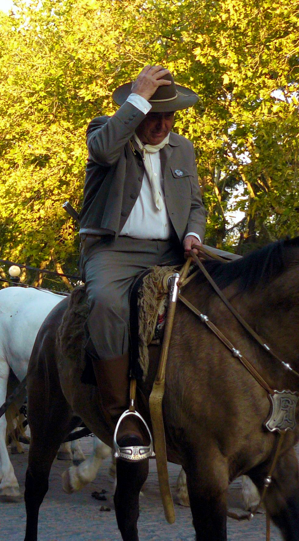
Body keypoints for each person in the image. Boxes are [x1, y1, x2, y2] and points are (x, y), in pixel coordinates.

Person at [79, 65, 207, 460]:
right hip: (114, 250)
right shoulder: (107, 131)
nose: (162, 124)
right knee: (104, 302)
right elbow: (102, 150)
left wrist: (193, 234)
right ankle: (120, 413)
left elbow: (197, 205)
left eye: (169, 117)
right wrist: (139, 96)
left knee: (224, 298)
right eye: (154, 115)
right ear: (139, 111)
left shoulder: (182, 148)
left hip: (171, 251)